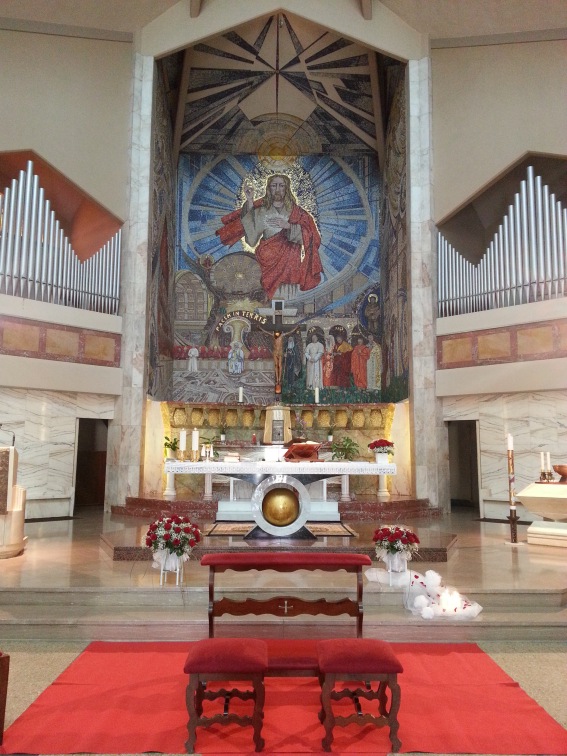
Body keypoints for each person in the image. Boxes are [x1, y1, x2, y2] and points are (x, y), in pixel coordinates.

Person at [216, 174, 323, 299]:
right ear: (269, 188)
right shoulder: (261, 211)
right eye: (274, 185)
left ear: (287, 188)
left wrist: (289, 226)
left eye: (281, 185)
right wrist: (250, 201)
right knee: (262, 297)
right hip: (265, 262)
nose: (277, 189)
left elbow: (311, 237)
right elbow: (251, 240)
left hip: (289, 263)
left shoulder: (297, 213)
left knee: (286, 296)